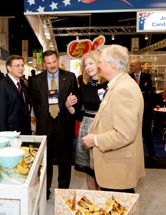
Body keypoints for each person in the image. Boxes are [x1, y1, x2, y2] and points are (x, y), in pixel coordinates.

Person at [82, 44, 145, 193]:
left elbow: (124, 134)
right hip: (115, 166)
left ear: (111, 65)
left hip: (118, 168)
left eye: (101, 62)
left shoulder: (123, 89)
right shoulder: (118, 85)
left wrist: (95, 140)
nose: (98, 66)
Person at [31, 50, 78, 200]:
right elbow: (35, 103)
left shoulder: (70, 77)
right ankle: (45, 191)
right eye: (48, 63)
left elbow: (75, 99)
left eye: (54, 62)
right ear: (44, 63)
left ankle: (63, 192)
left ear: (58, 60)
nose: (52, 65)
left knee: (65, 159)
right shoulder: (36, 80)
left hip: (64, 123)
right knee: (46, 160)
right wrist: (43, 117)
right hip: (45, 124)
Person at [66, 51, 108, 190]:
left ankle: (104, 200)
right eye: (85, 65)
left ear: (99, 63)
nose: (88, 67)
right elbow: (77, 114)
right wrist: (68, 105)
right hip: (87, 127)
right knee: (89, 170)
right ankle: (93, 200)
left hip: (104, 128)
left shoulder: (109, 84)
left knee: (104, 168)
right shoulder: (83, 86)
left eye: (91, 63)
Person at [0, 55, 31, 135]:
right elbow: (0, 115)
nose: (21, 68)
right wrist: (4, 136)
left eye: (22, 65)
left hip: (23, 132)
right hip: (10, 133)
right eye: (17, 66)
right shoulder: (2, 86)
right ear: (9, 68)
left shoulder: (22, 85)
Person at [129, 59, 158, 162]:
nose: (130, 67)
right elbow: (131, 89)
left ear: (138, 66)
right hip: (132, 108)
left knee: (147, 132)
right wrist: (141, 89)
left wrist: (138, 88)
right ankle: (132, 155)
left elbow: (148, 88)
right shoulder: (128, 77)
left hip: (146, 108)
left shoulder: (147, 76)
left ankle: (151, 154)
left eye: (132, 65)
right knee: (132, 131)